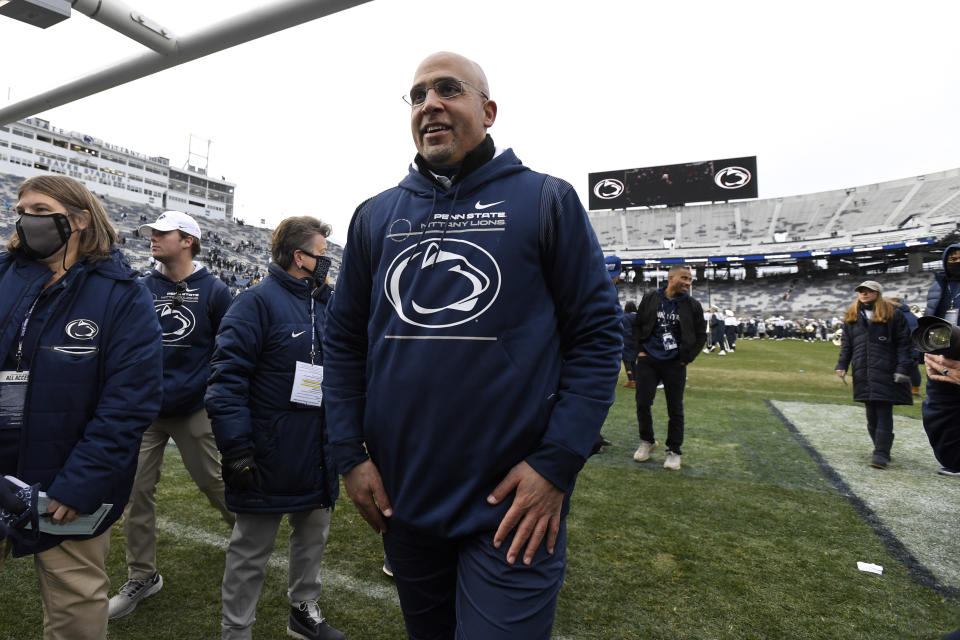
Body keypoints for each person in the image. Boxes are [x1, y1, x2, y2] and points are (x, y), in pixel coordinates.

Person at [322, 51, 621, 639]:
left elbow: (596, 337)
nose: (429, 103)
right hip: (403, 499)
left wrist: (556, 463)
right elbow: (343, 341)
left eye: (447, 89)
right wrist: (348, 455)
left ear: (487, 111)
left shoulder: (546, 201)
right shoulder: (375, 215)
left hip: (513, 504)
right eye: (417, 95)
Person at [0, 174, 162, 639]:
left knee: (75, 606)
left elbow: (131, 400)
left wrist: (82, 481)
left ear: (79, 220)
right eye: (21, 209)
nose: (26, 219)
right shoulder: (4, 274)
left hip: (64, 483)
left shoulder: (122, 294)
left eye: (39, 209)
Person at [205, 217, 343, 640]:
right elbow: (226, 382)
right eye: (322, 253)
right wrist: (238, 449)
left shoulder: (329, 304)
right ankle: (236, 630)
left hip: (318, 447)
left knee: (313, 536)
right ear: (300, 257)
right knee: (250, 548)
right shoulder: (255, 303)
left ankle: (303, 611)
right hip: (268, 448)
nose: (327, 260)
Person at [107, 211, 235, 620]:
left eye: (163, 234)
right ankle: (142, 575)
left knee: (216, 483)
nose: (153, 239)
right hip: (145, 409)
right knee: (134, 492)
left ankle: (248, 539)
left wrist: (209, 391)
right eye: (152, 234)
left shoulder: (215, 290)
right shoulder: (144, 286)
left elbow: (224, 349)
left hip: (193, 407)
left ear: (188, 241)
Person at [631, 265, 707, 470]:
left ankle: (673, 450)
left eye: (690, 280)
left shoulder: (692, 305)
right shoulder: (651, 298)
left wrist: (686, 358)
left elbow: (701, 334)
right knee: (643, 403)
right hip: (649, 359)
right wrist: (640, 350)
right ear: (670, 277)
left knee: (675, 408)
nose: (688, 283)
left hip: (675, 363)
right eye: (684, 277)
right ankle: (647, 441)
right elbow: (637, 324)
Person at [834, 280, 913, 469]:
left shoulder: (894, 314)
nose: (864, 293)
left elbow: (904, 344)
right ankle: (881, 447)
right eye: (861, 291)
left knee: (884, 411)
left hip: (887, 370)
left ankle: (880, 454)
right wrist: (842, 364)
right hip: (863, 370)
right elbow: (847, 345)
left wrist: (903, 369)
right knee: (871, 414)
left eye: (868, 291)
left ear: (877, 293)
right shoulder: (852, 316)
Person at [922, 243, 960, 476]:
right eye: (952, 258)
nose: (956, 261)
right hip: (941, 352)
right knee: (937, 409)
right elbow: (929, 319)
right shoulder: (939, 287)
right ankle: (953, 460)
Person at [621, 301, 638, 387]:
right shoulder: (638, 316)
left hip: (626, 341)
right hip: (635, 341)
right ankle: (636, 379)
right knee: (633, 361)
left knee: (627, 360)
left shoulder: (624, 317)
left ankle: (631, 380)